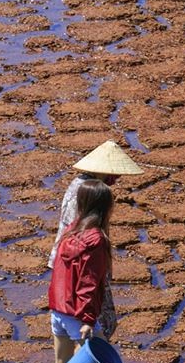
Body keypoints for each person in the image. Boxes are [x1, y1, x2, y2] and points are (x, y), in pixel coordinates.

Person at [7, 179, 121, 363]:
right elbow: (89, 283)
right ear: (106, 207)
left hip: (58, 310)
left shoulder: (70, 232)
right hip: (77, 315)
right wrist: (88, 319)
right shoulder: (97, 240)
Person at [47, 140, 144, 340]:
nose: (117, 177)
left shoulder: (81, 185)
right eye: (114, 172)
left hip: (66, 265)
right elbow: (87, 281)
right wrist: (88, 319)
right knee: (98, 330)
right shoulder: (88, 195)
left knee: (65, 357)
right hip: (77, 264)